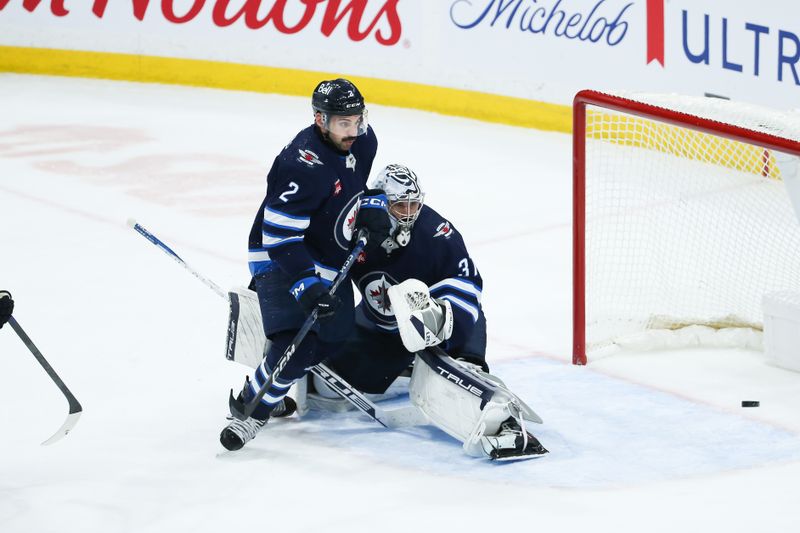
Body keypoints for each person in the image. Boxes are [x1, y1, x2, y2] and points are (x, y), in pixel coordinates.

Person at [311, 164, 548, 460]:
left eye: (414, 204)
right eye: (400, 206)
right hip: (379, 329)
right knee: (325, 386)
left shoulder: (437, 234)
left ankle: (474, 378)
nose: (409, 213)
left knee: (462, 368)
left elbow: (467, 287)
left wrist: (441, 321)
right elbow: (315, 264)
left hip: (438, 327)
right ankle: (405, 368)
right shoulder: (352, 229)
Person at [220, 79, 392, 451]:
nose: (353, 130)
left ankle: (279, 375)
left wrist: (371, 204)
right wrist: (304, 282)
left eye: (357, 119)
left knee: (332, 334)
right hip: (279, 254)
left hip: (327, 251)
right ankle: (254, 406)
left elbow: (353, 186)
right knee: (294, 342)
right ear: (320, 119)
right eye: (343, 123)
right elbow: (279, 238)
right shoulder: (301, 165)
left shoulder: (364, 140)